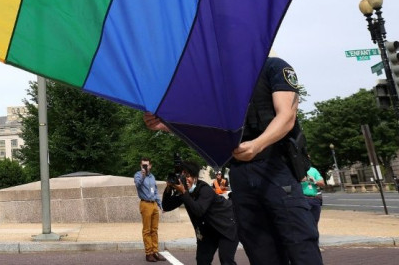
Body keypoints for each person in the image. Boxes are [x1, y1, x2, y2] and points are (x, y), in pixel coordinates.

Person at [144, 57, 321, 264]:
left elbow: (287, 116)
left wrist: (257, 145)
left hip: (276, 168)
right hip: (240, 173)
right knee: (259, 248)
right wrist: (165, 124)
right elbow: (204, 125)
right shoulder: (220, 85)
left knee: (299, 242)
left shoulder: (273, 67)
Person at [162, 161, 238, 265]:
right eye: (182, 176)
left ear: (195, 177)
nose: (185, 179)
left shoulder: (204, 190)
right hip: (208, 231)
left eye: (188, 176)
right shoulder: (185, 192)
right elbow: (166, 206)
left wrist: (184, 192)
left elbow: (199, 211)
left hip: (226, 226)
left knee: (226, 260)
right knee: (202, 260)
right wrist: (169, 188)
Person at [134, 157, 164, 262]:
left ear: (150, 166)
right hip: (145, 204)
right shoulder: (138, 175)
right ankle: (148, 253)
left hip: (154, 204)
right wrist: (142, 175)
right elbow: (137, 185)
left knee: (154, 230)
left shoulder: (152, 177)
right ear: (140, 166)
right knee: (147, 230)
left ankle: (155, 252)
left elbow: (155, 191)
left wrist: (160, 205)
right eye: (143, 165)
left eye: (147, 165)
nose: (145, 167)